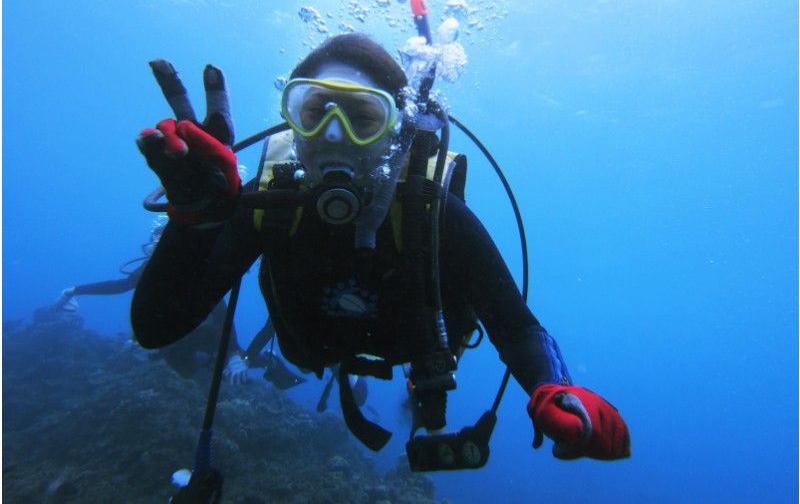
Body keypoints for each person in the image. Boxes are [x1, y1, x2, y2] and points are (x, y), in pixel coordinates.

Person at [132, 33, 630, 465]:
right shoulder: (270, 204)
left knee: (426, 405)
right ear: (292, 123)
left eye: (362, 117)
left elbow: (516, 326)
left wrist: (553, 389)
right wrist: (195, 218)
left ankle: (419, 395)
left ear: (396, 133)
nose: (332, 135)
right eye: (314, 112)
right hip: (312, 350)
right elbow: (157, 327)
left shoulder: (431, 213)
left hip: (410, 349)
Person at [53, 221, 282, 387]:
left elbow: (222, 314)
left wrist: (233, 355)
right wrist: (74, 291)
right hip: (177, 334)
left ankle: (264, 361)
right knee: (186, 371)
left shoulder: (195, 271)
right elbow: (120, 285)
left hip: (205, 331)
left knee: (225, 365)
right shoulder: (151, 268)